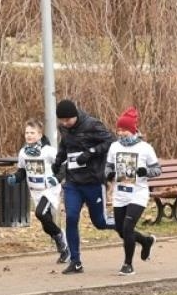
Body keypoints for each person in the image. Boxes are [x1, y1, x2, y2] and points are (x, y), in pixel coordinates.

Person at [54, 98, 115, 274]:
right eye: (62, 121)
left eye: (68, 120)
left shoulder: (92, 124)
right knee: (71, 217)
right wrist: (58, 162)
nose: (65, 123)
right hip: (73, 181)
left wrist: (91, 153)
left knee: (100, 223)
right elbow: (64, 145)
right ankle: (76, 261)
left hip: (93, 181)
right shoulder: (64, 128)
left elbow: (111, 141)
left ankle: (127, 228)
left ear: (75, 116)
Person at [104, 107, 161, 275]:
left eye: (124, 130)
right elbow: (107, 167)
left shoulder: (145, 148)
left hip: (138, 194)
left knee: (128, 228)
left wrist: (146, 172)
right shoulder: (114, 147)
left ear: (132, 130)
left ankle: (128, 265)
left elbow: (157, 169)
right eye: (119, 130)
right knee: (120, 229)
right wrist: (110, 174)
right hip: (120, 194)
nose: (121, 133)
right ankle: (145, 241)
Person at [18, 120, 68, 264]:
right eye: (27, 132)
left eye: (32, 133)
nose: (29, 135)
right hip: (35, 191)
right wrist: (14, 178)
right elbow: (22, 170)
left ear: (40, 135)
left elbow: (63, 164)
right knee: (45, 223)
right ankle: (62, 244)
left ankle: (60, 238)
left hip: (49, 190)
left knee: (39, 213)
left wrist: (57, 179)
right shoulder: (23, 153)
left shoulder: (48, 151)